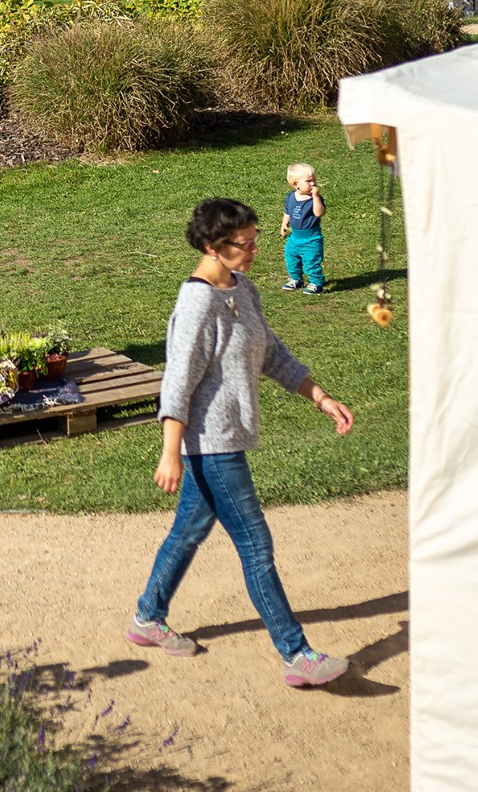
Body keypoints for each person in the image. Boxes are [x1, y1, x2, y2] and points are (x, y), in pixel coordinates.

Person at [126, 197, 356, 688]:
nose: (254, 250)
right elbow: (177, 382)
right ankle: (297, 654)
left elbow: (271, 352)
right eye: (244, 243)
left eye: (254, 240)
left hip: (224, 439)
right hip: (211, 443)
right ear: (213, 246)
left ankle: (147, 617)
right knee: (255, 544)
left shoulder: (242, 288)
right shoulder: (196, 304)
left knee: (189, 531)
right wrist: (170, 452)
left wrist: (320, 397)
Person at [278, 164, 326, 293]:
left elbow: (319, 213)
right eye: (308, 181)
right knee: (291, 259)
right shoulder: (291, 197)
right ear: (295, 184)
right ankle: (296, 279)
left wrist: (316, 197)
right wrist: (284, 224)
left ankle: (316, 283)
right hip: (294, 237)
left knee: (311, 261)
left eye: (314, 180)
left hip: (311, 238)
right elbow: (287, 211)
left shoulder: (315, 199)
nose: (313, 183)